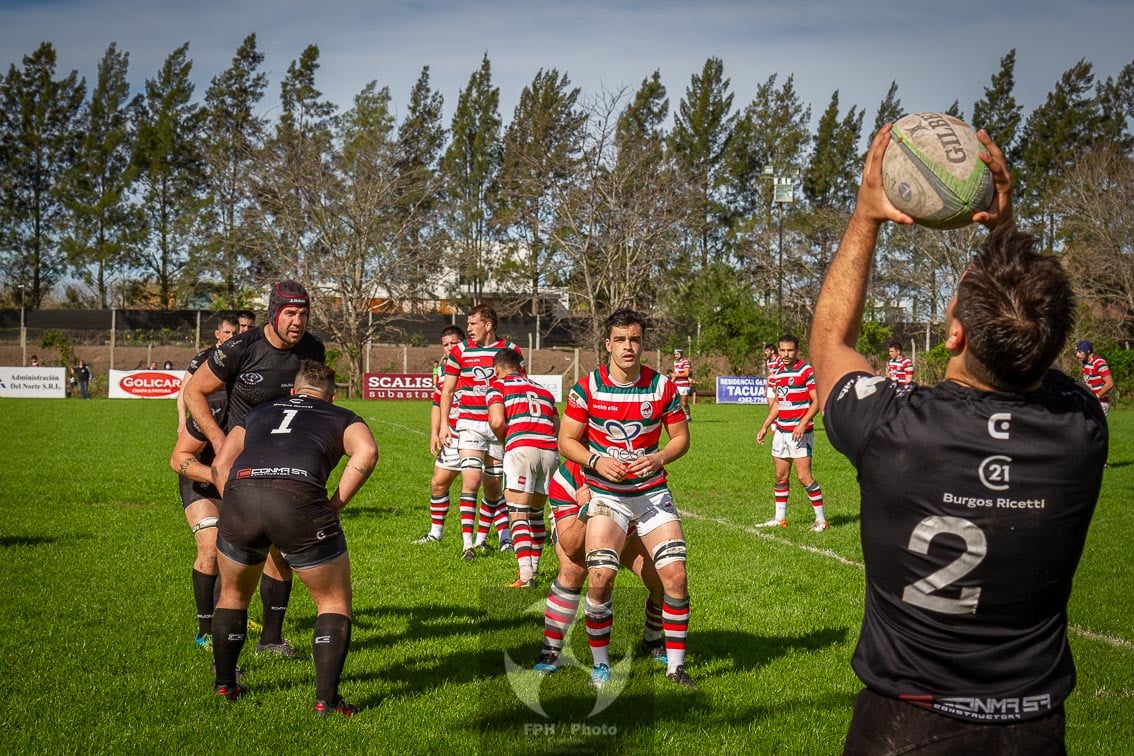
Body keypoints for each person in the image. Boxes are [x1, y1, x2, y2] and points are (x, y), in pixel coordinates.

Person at [811, 124, 1106, 754]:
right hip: (1031, 728)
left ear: (955, 337)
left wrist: (866, 216)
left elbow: (830, 343)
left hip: (905, 723)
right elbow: (1028, 331)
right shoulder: (1080, 428)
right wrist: (1006, 228)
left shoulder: (892, 430)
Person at [209, 360, 378, 714]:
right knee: (332, 600)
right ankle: (327, 702)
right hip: (298, 495)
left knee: (232, 594)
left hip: (242, 492)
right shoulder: (342, 415)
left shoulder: (258, 412)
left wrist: (239, 502)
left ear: (292, 391)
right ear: (330, 396)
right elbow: (367, 452)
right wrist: (335, 504)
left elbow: (220, 464)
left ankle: (225, 686)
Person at [182, 281, 326, 658]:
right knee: (232, 556)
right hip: (234, 464)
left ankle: (271, 639)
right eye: (291, 313)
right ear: (274, 313)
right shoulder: (240, 349)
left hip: (279, 464)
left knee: (282, 550)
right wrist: (217, 443)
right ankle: (219, 649)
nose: (298, 322)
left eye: (304, 314)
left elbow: (314, 403)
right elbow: (193, 391)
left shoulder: (313, 350)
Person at [559, 308, 696, 689]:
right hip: (607, 497)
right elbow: (565, 441)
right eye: (620, 340)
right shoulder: (587, 387)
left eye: (634, 339)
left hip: (652, 495)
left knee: (676, 576)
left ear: (642, 343)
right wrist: (596, 460)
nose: (628, 347)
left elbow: (681, 438)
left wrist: (659, 457)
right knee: (601, 576)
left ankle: (675, 667)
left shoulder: (662, 387)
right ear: (607, 345)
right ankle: (601, 666)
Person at [533, 459, 670, 675]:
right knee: (573, 569)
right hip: (578, 524)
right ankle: (551, 649)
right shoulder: (566, 477)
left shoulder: (633, 462)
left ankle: (652, 639)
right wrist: (588, 507)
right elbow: (570, 547)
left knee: (663, 573)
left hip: (626, 528)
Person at [169, 313, 239, 646]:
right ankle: (206, 629)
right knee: (210, 548)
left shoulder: (258, 411)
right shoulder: (211, 405)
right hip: (201, 480)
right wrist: (216, 473)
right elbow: (178, 460)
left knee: (235, 556)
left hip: (237, 485)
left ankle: (230, 616)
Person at [438, 305, 521, 560]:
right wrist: (444, 424)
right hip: (469, 423)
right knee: (470, 480)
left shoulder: (510, 351)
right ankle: (467, 545)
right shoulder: (460, 351)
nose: (469, 329)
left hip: (498, 425)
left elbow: (518, 387)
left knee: (494, 487)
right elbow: (448, 391)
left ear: (488, 325)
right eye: (468, 323)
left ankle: (485, 539)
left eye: (473, 324)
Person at [487, 348, 559, 588]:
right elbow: (557, 425)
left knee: (518, 513)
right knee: (536, 514)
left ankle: (525, 575)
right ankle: (535, 570)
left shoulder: (498, 386)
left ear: (497, 369)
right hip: (549, 451)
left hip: (521, 449)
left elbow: (497, 421)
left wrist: (505, 440)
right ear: (520, 366)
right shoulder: (544, 391)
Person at [756, 335, 827, 531]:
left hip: (800, 433)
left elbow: (817, 400)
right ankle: (780, 519)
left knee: (804, 477)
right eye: (782, 350)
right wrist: (765, 426)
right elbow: (779, 402)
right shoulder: (777, 372)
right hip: (781, 431)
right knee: (780, 476)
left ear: (797, 351)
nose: (786, 354)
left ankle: (821, 520)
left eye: (790, 350)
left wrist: (803, 423)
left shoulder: (806, 370)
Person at [413, 325, 467, 545]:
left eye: (453, 343)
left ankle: (504, 538)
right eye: (445, 345)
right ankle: (436, 533)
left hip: (479, 433)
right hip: (451, 433)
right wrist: (434, 433)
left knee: (492, 486)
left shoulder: (476, 364)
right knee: (438, 482)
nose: (449, 348)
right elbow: (437, 403)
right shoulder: (443, 370)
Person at [177, 314, 238, 436]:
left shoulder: (241, 358)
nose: (231, 337)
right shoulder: (203, 357)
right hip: (206, 417)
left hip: (232, 420)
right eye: (227, 332)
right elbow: (184, 390)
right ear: (217, 334)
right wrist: (182, 420)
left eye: (234, 333)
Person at [1075, 340, 1114, 417]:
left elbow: (1110, 383)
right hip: (1090, 402)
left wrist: (1096, 396)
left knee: (1094, 427)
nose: (1077, 354)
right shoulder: (1085, 364)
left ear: (1087, 351)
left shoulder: (1098, 362)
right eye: (1077, 352)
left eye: (1079, 352)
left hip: (1100, 403)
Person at [672, 348, 693, 420]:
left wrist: (676, 375)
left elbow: (686, 373)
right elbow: (675, 373)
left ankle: (688, 415)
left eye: (677, 354)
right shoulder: (675, 362)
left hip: (684, 385)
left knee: (684, 403)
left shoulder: (685, 361)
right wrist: (671, 382)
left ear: (680, 354)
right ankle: (677, 416)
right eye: (675, 354)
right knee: (675, 401)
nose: (675, 356)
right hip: (676, 384)